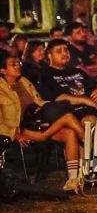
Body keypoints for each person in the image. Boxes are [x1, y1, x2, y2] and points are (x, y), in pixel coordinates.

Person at [0, 50, 85, 192]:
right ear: (2, 70)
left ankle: (73, 180)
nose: (18, 66)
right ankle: (90, 147)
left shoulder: (24, 82)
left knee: (69, 132)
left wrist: (49, 110)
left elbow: (38, 102)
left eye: (18, 62)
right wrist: (13, 133)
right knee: (68, 118)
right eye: (13, 64)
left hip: (36, 123)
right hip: (20, 129)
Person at [37, 39, 97, 126]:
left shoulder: (77, 71)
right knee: (91, 121)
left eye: (66, 50)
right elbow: (56, 98)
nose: (64, 54)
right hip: (69, 113)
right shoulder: (45, 74)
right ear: (49, 55)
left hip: (92, 109)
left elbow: (96, 87)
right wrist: (83, 99)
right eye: (59, 51)